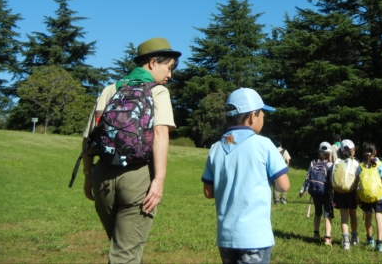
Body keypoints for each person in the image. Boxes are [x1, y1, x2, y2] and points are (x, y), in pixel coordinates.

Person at [80, 37, 180, 264]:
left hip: (102, 176)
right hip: (138, 178)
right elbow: (161, 134)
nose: (170, 75)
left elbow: (88, 138)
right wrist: (159, 180)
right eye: (169, 67)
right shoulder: (158, 92)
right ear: (153, 62)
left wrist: (88, 175)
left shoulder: (110, 90)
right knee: (125, 254)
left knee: (121, 248)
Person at [202, 88, 290, 264]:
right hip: (255, 237)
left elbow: (208, 192)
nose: (263, 118)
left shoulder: (216, 148)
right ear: (252, 116)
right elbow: (283, 185)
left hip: (225, 237)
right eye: (262, 114)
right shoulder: (264, 145)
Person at [299, 142, 335, 246]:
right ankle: (327, 238)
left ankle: (316, 234)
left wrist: (302, 189)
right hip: (326, 193)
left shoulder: (313, 162)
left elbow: (307, 177)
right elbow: (332, 179)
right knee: (327, 214)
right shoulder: (330, 164)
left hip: (315, 192)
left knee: (317, 212)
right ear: (329, 153)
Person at [357, 141, 382, 253]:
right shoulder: (380, 165)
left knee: (368, 216)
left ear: (363, 153)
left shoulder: (360, 166)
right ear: (375, 152)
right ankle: (379, 243)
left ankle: (370, 238)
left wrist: (358, 196)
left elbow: (357, 183)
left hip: (365, 196)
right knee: (379, 218)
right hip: (379, 196)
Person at [332, 139, 359, 250]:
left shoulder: (337, 162)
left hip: (339, 192)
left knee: (344, 217)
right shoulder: (355, 163)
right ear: (352, 150)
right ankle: (354, 238)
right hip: (351, 192)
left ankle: (345, 242)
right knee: (353, 215)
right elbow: (357, 179)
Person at [273, 140, 291, 204]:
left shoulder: (273, 150)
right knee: (284, 183)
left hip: (275, 169)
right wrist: (286, 167)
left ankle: (276, 200)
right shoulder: (284, 151)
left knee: (276, 184)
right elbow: (288, 161)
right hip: (282, 169)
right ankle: (283, 198)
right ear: (281, 145)